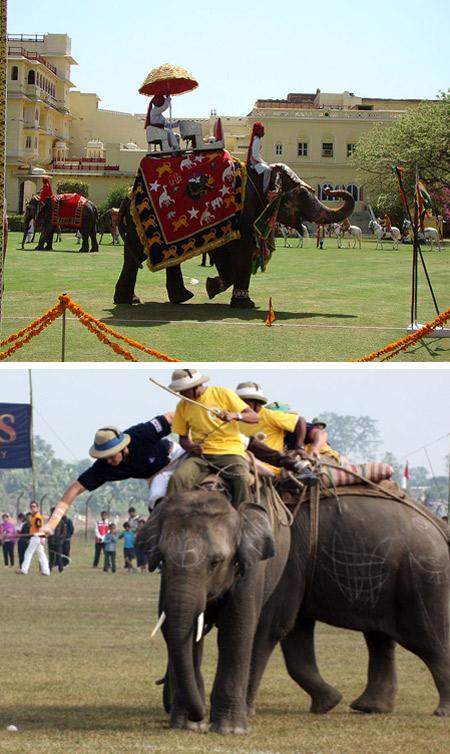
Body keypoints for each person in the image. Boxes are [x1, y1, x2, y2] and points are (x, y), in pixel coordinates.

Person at [41, 413, 175, 536]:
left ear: (123, 447)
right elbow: (75, 488)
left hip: (174, 456)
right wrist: (52, 524)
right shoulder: (104, 467)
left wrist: (191, 435)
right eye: (104, 457)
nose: (109, 461)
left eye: (111, 456)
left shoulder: (141, 434)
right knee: (156, 501)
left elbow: (171, 417)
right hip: (157, 477)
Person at [167, 369, 259, 508]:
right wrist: (191, 447)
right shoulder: (182, 406)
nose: (181, 394)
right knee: (177, 478)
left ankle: (245, 517)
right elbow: (183, 439)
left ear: (195, 387)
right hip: (201, 456)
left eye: (183, 390)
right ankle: (171, 519)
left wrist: (235, 416)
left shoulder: (222, 393)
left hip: (229, 452)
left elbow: (254, 417)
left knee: (241, 478)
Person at [236, 382, 307, 475]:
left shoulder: (269, 415)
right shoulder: (235, 418)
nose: (240, 405)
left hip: (268, 467)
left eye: (245, 402)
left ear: (257, 403)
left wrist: (299, 447)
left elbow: (299, 420)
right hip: (240, 462)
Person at [17, 501, 50, 576]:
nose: (33, 508)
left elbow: (40, 528)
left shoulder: (37, 517)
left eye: (34, 506)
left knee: (28, 553)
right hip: (35, 537)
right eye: (31, 506)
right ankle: (46, 571)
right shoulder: (34, 516)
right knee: (41, 554)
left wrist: (42, 538)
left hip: (37, 537)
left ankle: (24, 570)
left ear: (37, 507)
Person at [48, 509, 67, 573]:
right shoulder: (49, 522)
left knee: (59, 557)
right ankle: (49, 569)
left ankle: (60, 569)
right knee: (51, 557)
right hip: (51, 542)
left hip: (58, 543)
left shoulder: (61, 522)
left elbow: (64, 533)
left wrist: (59, 538)